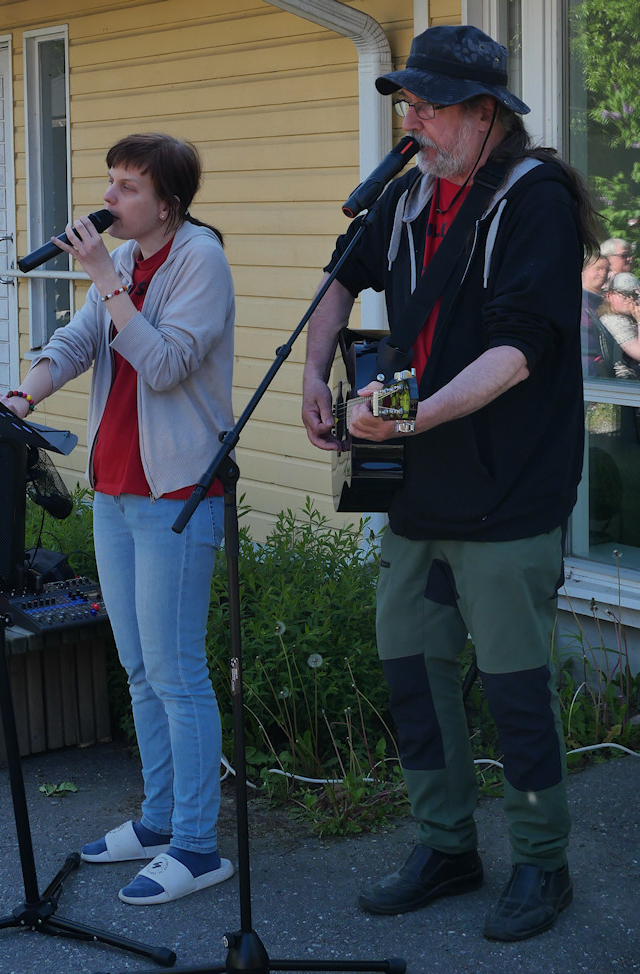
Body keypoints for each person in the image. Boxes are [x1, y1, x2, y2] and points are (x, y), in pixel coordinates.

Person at [301, 25, 599, 942]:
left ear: (485, 115)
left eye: (429, 105)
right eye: (407, 103)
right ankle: (446, 845)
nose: (412, 119)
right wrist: (317, 375)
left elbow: (519, 352)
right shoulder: (404, 195)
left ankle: (542, 864)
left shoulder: (533, 198)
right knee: (412, 673)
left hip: (508, 493)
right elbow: (339, 284)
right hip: (416, 490)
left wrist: (408, 418)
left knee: (515, 689)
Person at [0, 133, 235, 905]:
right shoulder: (127, 263)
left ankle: (199, 845)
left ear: (168, 201)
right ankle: (161, 819)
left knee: (178, 672)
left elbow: (165, 364)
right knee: (138, 668)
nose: (109, 200)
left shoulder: (199, 261)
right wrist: (24, 394)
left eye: (128, 187)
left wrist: (103, 277)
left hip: (176, 495)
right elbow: (78, 341)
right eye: (110, 183)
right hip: (117, 488)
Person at [598, 271, 640, 379]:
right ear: (609, 296)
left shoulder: (628, 317)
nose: (631, 300)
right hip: (626, 381)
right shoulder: (612, 321)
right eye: (625, 295)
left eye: (635, 295)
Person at [580, 253, 611, 376]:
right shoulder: (576, 300)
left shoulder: (604, 302)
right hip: (586, 370)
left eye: (606, 270)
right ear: (583, 271)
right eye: (598, 268)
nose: (603, 274)